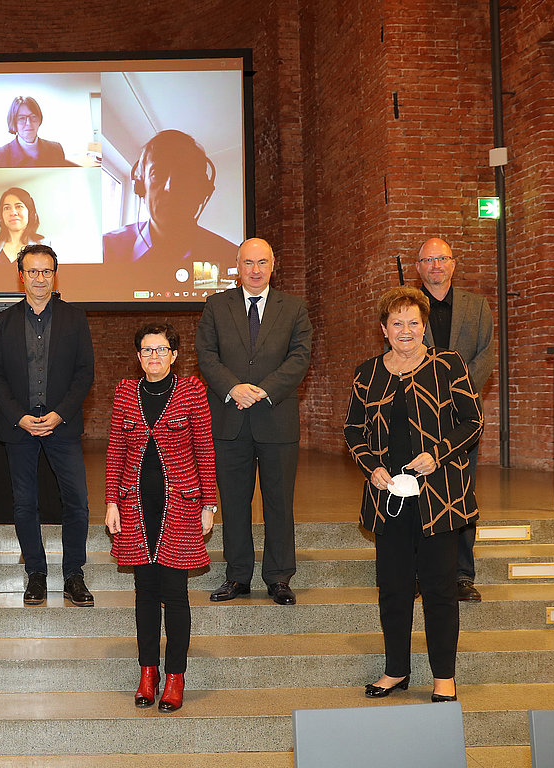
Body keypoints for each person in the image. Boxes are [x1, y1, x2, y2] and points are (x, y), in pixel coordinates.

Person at [344, 286, 482, 703]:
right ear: (384, 329)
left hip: (439, 498)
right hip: (390, 500)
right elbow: (353, 430)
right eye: (397, 323)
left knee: (440, 589)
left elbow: (472, 421)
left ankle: (444, 677)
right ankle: (396, 671)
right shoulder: (367, 373)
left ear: (425, 327)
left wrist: (437, 454)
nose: (406, 330)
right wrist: (372, 467)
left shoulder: (449, 365)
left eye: (414, 323)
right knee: (393, 590)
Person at [105, 322, 217, 713]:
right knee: (145, 594)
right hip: (136, 505)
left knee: (176, 593)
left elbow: (204, 447)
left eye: (161, 350)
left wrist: (208, 504)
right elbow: (116, 448)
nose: (153, 357)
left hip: (181, 505)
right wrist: (111, 501)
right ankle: (147, 673)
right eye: (146, 350)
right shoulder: (125, 392)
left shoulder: (191, 390)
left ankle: (175, 677)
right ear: (138, 357)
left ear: (173, 355)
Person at [194, 238, 312, 605]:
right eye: (249, 263)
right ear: (237, 266)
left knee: (279, 502)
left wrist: (261, 390)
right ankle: (237, 576)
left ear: (273, 265)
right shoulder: (216, 306)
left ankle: (279, 578)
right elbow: (206, 355)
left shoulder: (294, 308)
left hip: (276, 419)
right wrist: (234, 388)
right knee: (233, 501)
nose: (256, 270)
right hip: (231, 420)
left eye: (263, 262)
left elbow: (300, 357)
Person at [0, 244, 96, 607]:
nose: (39, 278)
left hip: (61, 425)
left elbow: (84, 374)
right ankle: (36, 573)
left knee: (77, 503)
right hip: (20, 428)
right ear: (21, 275)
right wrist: (19, 416)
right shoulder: (4, 321)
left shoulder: (75, 318)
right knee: (25, 504)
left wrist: (60, 413)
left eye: (46, 272)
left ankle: (73, 575)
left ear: (54, 275)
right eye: (32, 272)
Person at [414, 237, 495, 602]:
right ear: (418, 268)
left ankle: (462, 575)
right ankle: (421, 572)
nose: (435, 265)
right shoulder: (407, 306)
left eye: (441, 258)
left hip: (463, 418)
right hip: (417, 416)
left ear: (453, 263)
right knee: (419, 494)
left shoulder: (477, 307)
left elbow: (486, 357)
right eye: (428, 259)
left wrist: (453, 395)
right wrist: (430, 397)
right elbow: (396, 352)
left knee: (461, 495)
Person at [102, 130, 238, 286]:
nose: (170, 188)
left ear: (202, 191)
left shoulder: (232, 260)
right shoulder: (106, 249)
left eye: (184, 175)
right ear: (140, 187)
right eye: (157, 173)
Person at [0, 187, 51, 265]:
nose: (13, 212)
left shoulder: (46, 246)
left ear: (30, 213)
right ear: (1, 215)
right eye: (7, 208)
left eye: (19, 206)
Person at [0, 96, 68, 168]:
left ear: (39, 120)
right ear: (14, 122)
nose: (29, 123)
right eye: (22, 118)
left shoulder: (55, 150)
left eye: (33, 117)